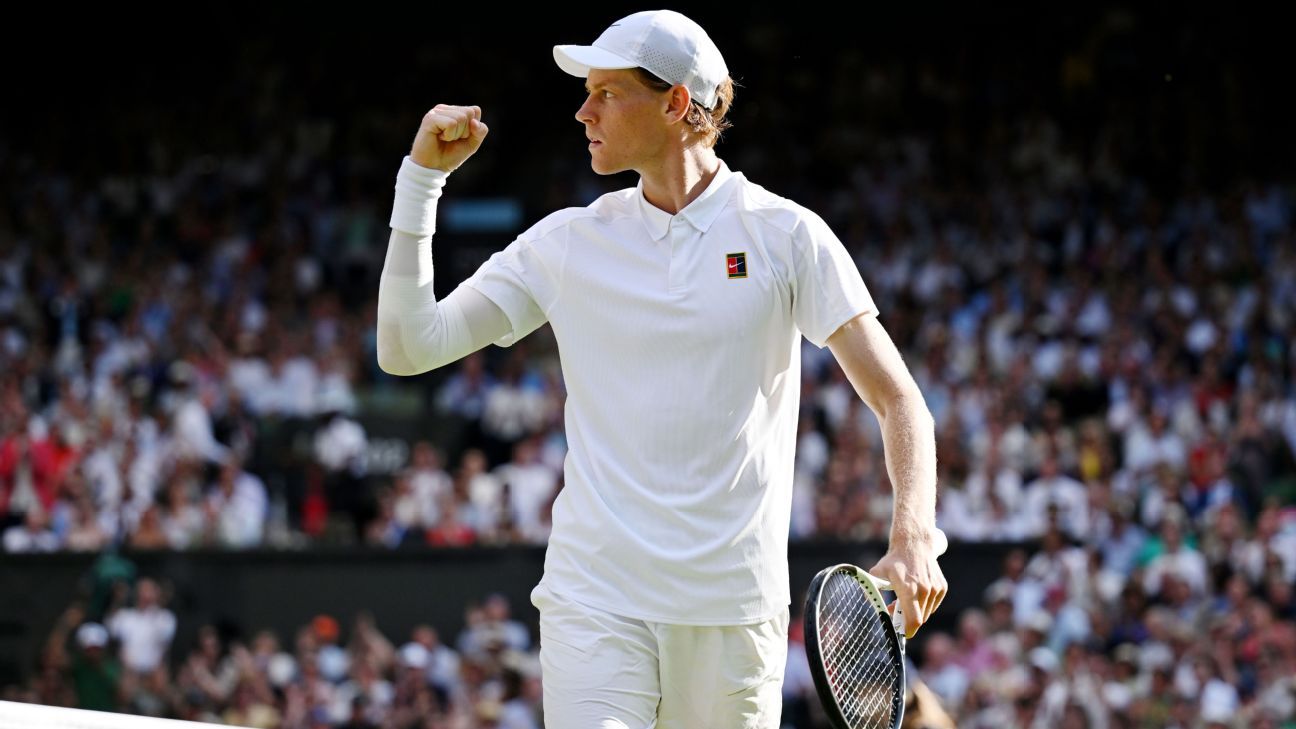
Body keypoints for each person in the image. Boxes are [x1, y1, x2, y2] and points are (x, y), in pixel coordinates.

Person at [376, 9, 947, 727]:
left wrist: (914, 535)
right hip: (596, 600)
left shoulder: (787, 235)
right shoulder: (566, 243)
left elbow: (899, 400)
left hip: (734, 615)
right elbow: (408, 347)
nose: (583, 111)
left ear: (677, 103)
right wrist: (421, 182)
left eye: (607, 93)